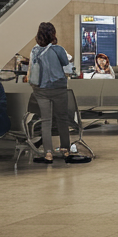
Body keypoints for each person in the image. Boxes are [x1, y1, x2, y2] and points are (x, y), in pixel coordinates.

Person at [29, 22, 88, 165]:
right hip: (58, 88)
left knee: (46, 121)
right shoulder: (58, 49)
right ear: (53, 33)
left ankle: (48, 153)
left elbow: (31, 69)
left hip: (40, 89)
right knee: (62, 119)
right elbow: (68, 70)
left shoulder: (34, 50)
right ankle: (65, 150)